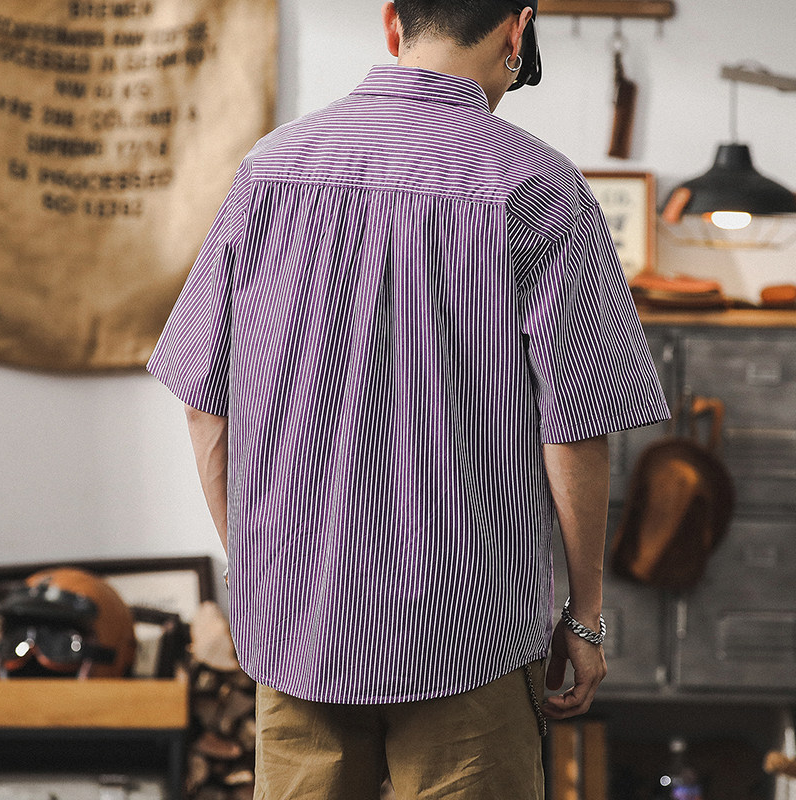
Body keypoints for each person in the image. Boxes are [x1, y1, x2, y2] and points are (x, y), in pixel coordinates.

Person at [148, 1, 670, 797]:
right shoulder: (540, 188)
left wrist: (265, 574)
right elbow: (575, 430)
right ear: (517, 31)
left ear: (392, 22)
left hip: (301, 623)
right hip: (471, 630)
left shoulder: (271, 169)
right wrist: (584, 616)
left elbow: (204, 405)